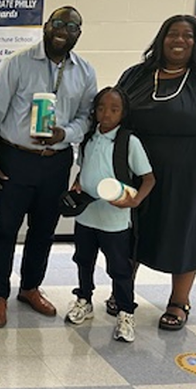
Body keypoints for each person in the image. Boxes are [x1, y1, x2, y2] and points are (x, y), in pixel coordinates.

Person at [116, 14, 196, 330]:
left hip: (193, 175)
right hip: (137, 171)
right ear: (161, 38)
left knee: (185, 234)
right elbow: (114, 113)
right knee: (131, 232)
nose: (179, 41)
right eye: (173, 34)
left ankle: (178, 301)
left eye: (188, 36)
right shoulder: (138, 75)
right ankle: (123, 294)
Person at [0, 6, 97, 328]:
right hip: (15, 157)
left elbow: (87, 117)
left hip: (56, 161)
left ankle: (30, 287)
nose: (63, 30)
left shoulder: (85, 72)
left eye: (71, 26)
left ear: (78, 34)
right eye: (58, 23)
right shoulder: (17, 63)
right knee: (4, 229)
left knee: (43, 230)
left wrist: (65, 134)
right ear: (46, 26)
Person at [64, 87, 155, 343]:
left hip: (115, 222)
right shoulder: (88, 139)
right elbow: (84, 170)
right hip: (87, 216)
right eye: (102, 108)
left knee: (119, 269)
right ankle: (84, 299)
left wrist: (135, 199)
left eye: (114, 109)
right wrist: (78, 185)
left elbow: (149, 178)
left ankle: (126, 312)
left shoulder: (129, 142)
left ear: (123, 112)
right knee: (83, 260)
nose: (107, 113)